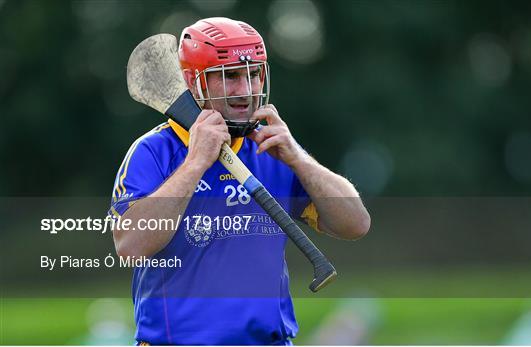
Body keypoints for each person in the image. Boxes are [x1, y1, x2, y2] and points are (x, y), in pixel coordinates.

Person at [109, 17, 370, 345]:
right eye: (229, 76)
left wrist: (299, 159)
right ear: (193, 82)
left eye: (253, 74)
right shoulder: (154, 152)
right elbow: (131, 246)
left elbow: (355, 223)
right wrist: (195, 164)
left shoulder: (273, 148)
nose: (246, 90)